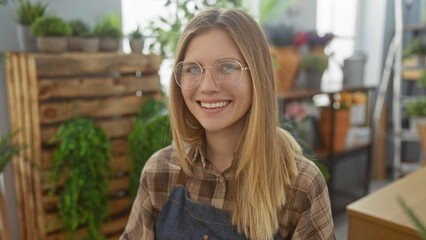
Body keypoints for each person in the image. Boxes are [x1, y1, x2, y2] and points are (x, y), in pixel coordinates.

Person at [120, 8, 335, 240]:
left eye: (228, 67)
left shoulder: (300, 185)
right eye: (193, 68)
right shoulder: (160, 171)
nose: (207, 86)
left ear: (258, 75)